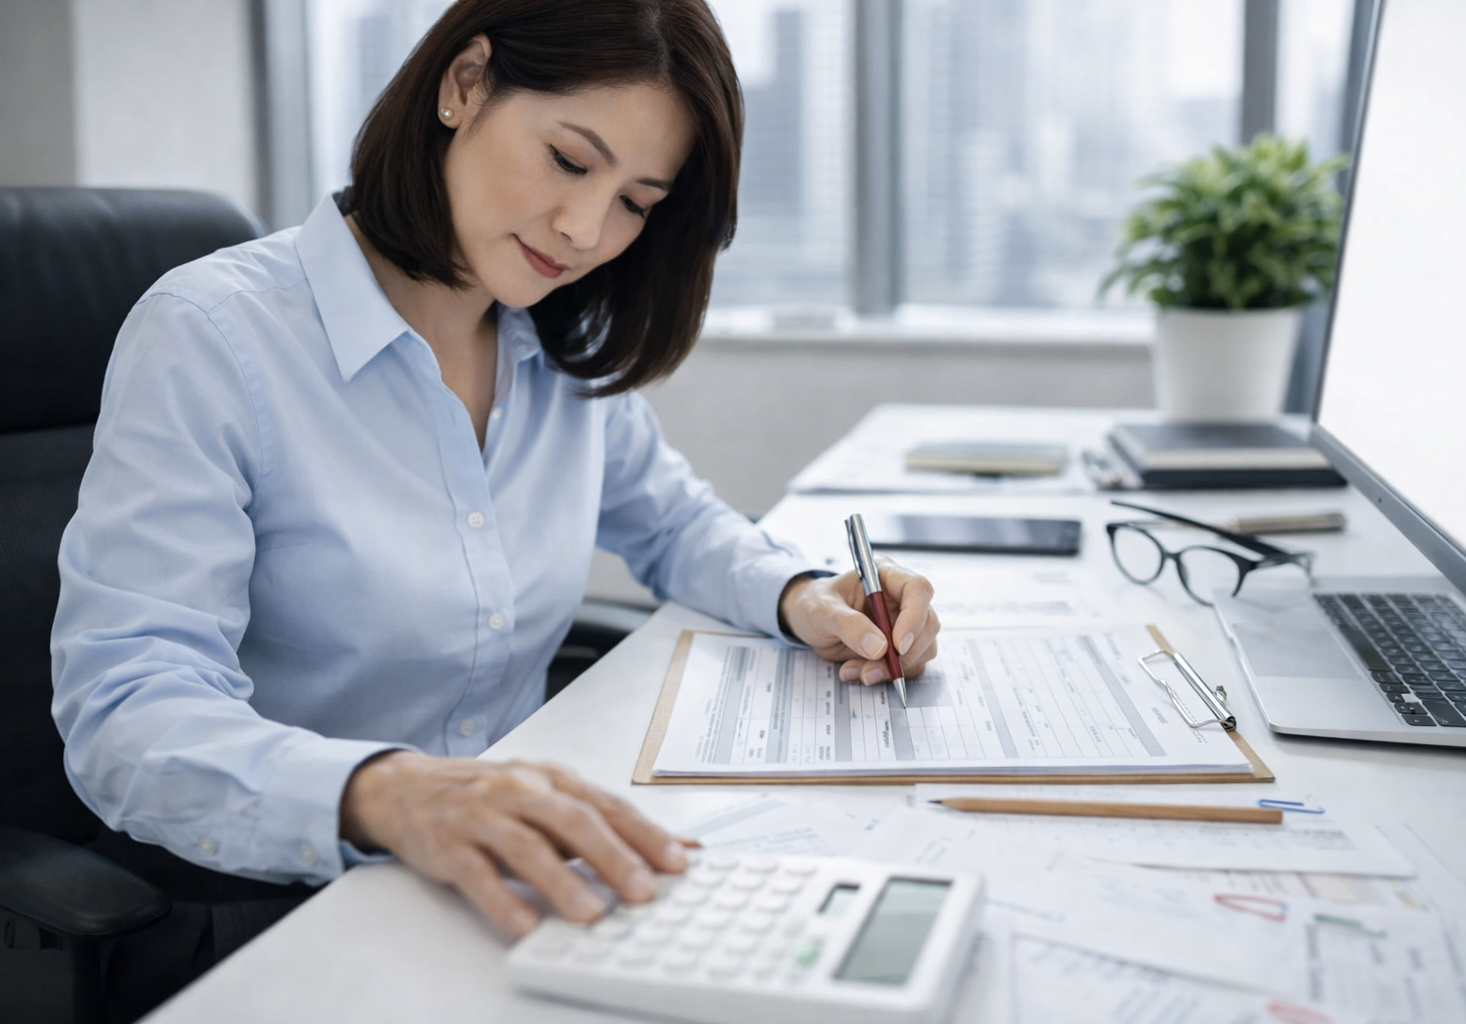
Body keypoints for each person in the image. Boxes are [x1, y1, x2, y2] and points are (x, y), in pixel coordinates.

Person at [50, 0, 941, 962]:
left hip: (513, 876)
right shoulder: (214, 337)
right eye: (569, 160)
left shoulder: (551, 347)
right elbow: (127, 712)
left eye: (638, 202)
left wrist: (808, 596)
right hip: (273, 908)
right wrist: (389, 793)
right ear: (463, 84)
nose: (585, 229)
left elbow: (674, 523)